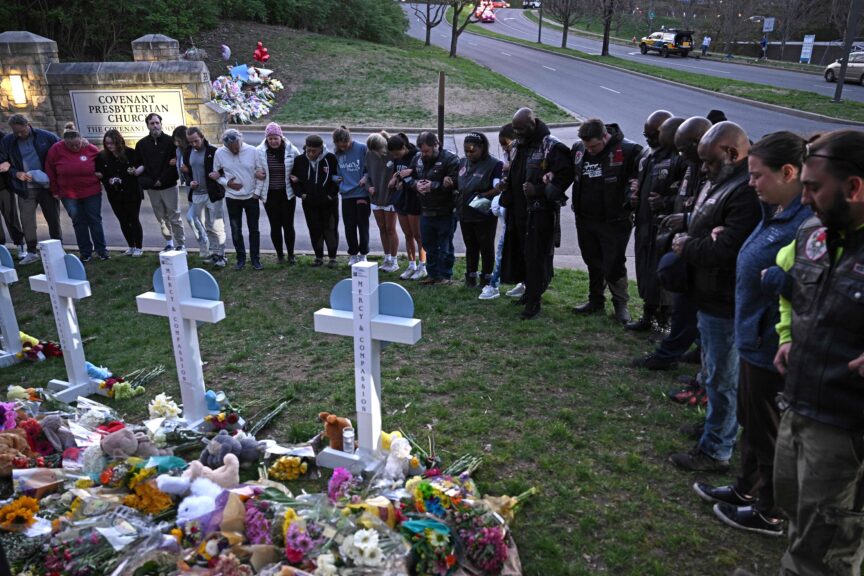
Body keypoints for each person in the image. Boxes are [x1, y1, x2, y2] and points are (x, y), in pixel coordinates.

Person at [694, 131, 812, 538]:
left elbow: (810, 284)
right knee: (751, 422)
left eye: (758, 175)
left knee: (768, 429)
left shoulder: (804, 222)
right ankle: (747, 488)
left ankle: (769, 509)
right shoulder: (775, 211)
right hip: (753, 337)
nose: (751, 182)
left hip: (772, 342)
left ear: (789, 172)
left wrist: (778, 279)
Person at [771, 130, 864, 575]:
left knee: (826, 548)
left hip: (845, 429)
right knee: (796, 516)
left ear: (855, 188)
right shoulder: (815, 233)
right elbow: (789, 288)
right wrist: (786, 336)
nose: (803, 199)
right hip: (798, 406)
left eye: (813, 187)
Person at [668, 121, 761, 472]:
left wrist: (687, 244)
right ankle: (715, 428)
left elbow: (729, 249)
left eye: (708, 162)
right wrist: (690, 220)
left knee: (723, 378)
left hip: (724, 300)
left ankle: (716, 448)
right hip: (709, 295)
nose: (703, 169)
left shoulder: (746, 190)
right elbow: (711, 222)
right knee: (714, 373)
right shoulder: (725, 180)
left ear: (732, 153)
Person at [638, 116, 712, 374]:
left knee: (695, 306)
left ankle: (690, 353)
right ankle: (677, 350)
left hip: (704, 245)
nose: (680, 155)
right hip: (685, 236)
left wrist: (685, 214)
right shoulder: (694, 162)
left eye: (683, 150)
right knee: (685, 303)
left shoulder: (713, 165)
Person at [570, 118, 643, 323]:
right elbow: (569, 173)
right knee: (592, 260)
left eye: (594, 146)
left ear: (605, 136)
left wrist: (632, 196)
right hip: (585, 218)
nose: (591, 150)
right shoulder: (578, 149)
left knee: (614, 262)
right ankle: (595, 300)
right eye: (587, 146)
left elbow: (638, 179)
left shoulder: (629, 150)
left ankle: (620, 305)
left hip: (614, 220)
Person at [511, 108, 574, 319]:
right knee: (524, 255)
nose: (517, 133)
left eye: (521, 129)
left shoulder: (551, 145)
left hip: (539, 212)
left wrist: (539, 190)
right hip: (520, 210)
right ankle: (529, 291)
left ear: (532, 124)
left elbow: (566, 174)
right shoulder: (520, 144)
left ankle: (534, 303)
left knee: (537, 257)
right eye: (515, 129)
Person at [629, 111, 680, 333]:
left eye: (652, 135)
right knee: (645, 271)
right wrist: (631, 198)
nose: (648, 139)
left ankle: (665, 321)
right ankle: (648, 315)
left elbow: (690, 195)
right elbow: (635, 184)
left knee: (663, 275)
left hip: (665, 227)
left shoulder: (680, 158)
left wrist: (666, 201)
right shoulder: (646, 156)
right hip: (643, 224)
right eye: (645, 134)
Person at [0, 114, 62, 265]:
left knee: (53, 218)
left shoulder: (45, 137)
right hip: (24, 188)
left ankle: (58, 249)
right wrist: (16, 173)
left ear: (28, 124)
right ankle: (32, 251)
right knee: (27, 220)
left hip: (45, 186)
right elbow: (4, 160)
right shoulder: (8, 141)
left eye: (21, 131)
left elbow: (61, 150)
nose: (19, 134)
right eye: (16, 132)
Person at [45, 123, 107, 262]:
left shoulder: (90, 148)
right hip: (68, 194)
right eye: (71, 145)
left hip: (91, 192)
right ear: (64, 142)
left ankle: (101, 250)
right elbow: (50, 171)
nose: (75, 148)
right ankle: (85, 252)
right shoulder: (56, 150)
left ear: (81, 140)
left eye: (77, 144)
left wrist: (101, 175)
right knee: (79, 222)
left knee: (95, 220)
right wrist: (54, 190)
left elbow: (102, 163)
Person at [409, 131, 460, 285]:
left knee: (445, 245)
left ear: (436, 145)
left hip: (445, 210)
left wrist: (434, 186)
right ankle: (432, 274)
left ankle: (445, 276)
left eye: (427, 151)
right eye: (422, 151)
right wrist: (415, 184)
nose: (424, 154)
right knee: (428, 244)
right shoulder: (417, 158)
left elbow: (457, 183)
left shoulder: (450, 159)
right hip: (425, 209)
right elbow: (409, 176)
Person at [456, 132, 502, 289]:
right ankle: (470, 276)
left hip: (483, 212)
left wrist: (482, 196)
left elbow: (498, 189)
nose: (469, 154)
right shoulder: (462, 163)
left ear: (482, 148)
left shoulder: (494, 164)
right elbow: (459, 183)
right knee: (470, 246)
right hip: (464, 212)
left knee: (486, 246)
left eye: (472, 150)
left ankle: (487, 278)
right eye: (466, 150)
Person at [212, 129, 262, 270]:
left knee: (254, 229)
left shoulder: (252, 151)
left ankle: (255, 260)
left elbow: (260, 171)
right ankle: (240, 259)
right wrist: (227, 183)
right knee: (235, 229)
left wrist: (257, 193)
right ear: (226, 146)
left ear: (241, 141)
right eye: (231, 148)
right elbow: (216, 175)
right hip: (232, 197)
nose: (235, 150)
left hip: (251, 196)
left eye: (237, 147)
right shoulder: (220, 153)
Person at [134, 113, 185, 252]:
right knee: (161, 218)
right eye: (152, 123)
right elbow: (139, 164)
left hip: (169, 186)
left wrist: (161, 180)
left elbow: (174, 165)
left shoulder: (171, 142)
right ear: (148, 126)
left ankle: (181, 244)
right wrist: (151, 181)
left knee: (174, 215)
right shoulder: (141, 144)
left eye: (157, 123)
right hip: (152, 188)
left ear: (161, 124)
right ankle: (169, 243)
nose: (155, 126)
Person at [479, 124, 516, 301]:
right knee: (505, 247)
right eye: (501, 144)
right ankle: (502, 283)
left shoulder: (519, 154)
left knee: (503, 248)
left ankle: (494, 284)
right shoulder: (509, 155)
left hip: (518, 210)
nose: (503, 147)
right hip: (509, 207)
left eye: (505, 143)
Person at [255, 122, 300, 265]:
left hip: (287, 194)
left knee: (288, 225)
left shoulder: (291, 150)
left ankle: (291, 254)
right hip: (269, 195)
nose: (273, 141)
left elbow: (300, 165)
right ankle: (280, 255)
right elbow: (253, 167)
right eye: (270, 139)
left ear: (281, 137)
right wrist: (256, 173)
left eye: (276, 138)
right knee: (275, 226)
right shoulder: (260, 151)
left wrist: (297, 177)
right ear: (267, 139)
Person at [292, 134, 340, 267]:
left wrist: (331, 195)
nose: (311, 153)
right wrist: (301, 194)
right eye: (308, 150)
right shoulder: (300, 160)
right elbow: (294, 179)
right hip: (309, 203)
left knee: (330, 229)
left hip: (329, 202)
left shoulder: (330, 159)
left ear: (321, 149)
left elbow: (338, 178)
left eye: (314, 151)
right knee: (314, 229)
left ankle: (332, 258)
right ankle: (318, 257)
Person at [183, 127, 227, 268]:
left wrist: (218, 174)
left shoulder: (213, 152)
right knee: (205, 225)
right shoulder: (188, 152)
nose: (194, 144)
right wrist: (190, 181)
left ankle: (221, 256)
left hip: (213, 193)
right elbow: (186, 172)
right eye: (191, 142)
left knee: (216, 225)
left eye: (196, 141)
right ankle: (213, 253)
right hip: (197, 194)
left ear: (202, 137)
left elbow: (224, 168)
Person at [96, 129, 143, 257]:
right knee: (123, 220)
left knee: (133, 219)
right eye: (107, 143)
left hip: (131, 191)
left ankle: (139, 247)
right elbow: (100, 174)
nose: (110, 146)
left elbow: (141, 166)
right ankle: (131, 246)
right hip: (114, 193)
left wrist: (135, 171)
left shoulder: (130, 153)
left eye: (112, 143)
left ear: (119, 142)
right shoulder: (102, 156)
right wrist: (108, 180)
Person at [387, 133, 425, 280]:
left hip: (414, 199)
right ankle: (411, 265)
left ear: (403, 147)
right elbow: (398, 170)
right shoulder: (398, 157)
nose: (396, 157)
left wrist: (409, 177)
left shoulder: (416, 155)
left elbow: (420, 172)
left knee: (418, 236)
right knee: (407, 234)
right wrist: (394, 177)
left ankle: (422, 266)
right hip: (401, 199)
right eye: (393, 155)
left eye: (397, 153)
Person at [332, 126, 369, 265]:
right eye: (341, 146)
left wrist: (366, 177)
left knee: (363, 225)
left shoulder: (362, 148)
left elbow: (371, 167)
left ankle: (363, 253)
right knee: (349, 226)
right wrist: (336, 180)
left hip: (361, 193)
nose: (344, 147)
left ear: (350, 139)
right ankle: (353, 253)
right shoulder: (337, 153)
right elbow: (334, 174)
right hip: (346, 195)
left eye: (346, 144)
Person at [366, 132, 399, 273]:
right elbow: (366, 173)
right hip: (375, 197)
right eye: (372, 150)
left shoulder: (391, 154)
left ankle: (394, 260)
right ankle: (387, 258)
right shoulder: (369, 154)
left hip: (390, 197)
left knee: (390, 229)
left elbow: (400, 171)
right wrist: (369, 186)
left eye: (376, 149)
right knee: (382, 228)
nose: (374, 152)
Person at [0, 129, 25, 257]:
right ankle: (1, 249)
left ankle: (20, 245)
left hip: (3, 186)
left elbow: (8, 159)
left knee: (11, 216)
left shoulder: (3, 138)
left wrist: (7, 164)